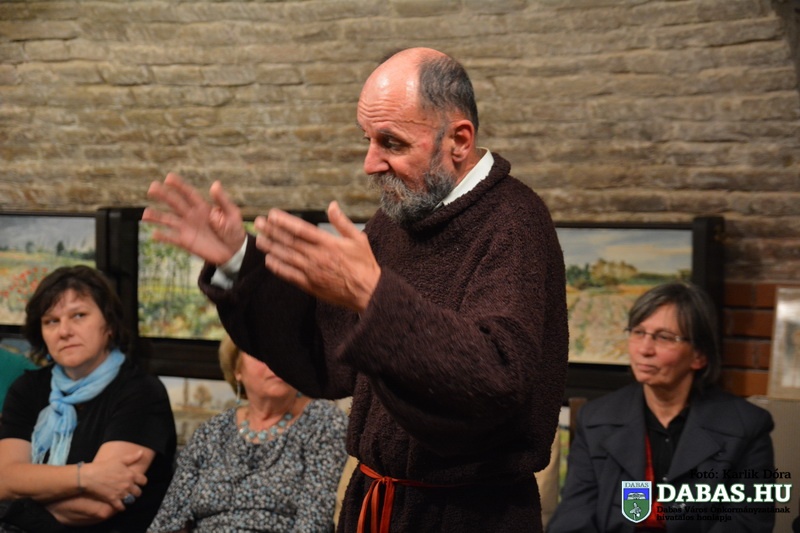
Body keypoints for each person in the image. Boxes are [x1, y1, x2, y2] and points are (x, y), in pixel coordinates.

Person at [143, 46, 569, 532]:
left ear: (458, 139)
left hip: (469, 517)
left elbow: (497, 379)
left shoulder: (514, 222)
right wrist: (239, 260)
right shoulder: (395, 222)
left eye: (391, 142)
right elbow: (326, 355)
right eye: (367, 139)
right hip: (373, 506)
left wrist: (372, 295)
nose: (370, 163)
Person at [547, 281, 775, 533]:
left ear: (699, 356)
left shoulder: (746, 427)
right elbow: (573, 519)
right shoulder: (596, 419)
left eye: (664, 337)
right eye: (638, 332)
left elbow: (748, 524)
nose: (644, 349)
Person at [0, 265, 177, 533]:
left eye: (79, 315)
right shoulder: (28, 388)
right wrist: (87, 476)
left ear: (110, 325)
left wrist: (14, 503)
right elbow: (4, 479)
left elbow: (97, 506)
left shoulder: (142, 392)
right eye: (51, 321)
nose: (64, 331)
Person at [148, 333, 348, 533]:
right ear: (237, 370)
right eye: (260, 354)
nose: (275, 362)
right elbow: (168, 520)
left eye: (284, 353)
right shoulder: (212, 431)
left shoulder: (324, 422)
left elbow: (314, 524)